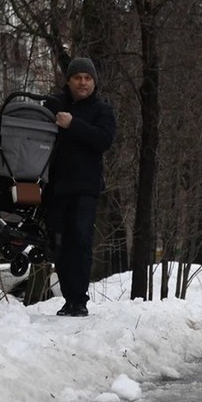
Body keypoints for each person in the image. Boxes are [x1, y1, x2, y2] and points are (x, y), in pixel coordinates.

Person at [43, 57, 117, 317]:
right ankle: (68, 298)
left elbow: (104, 140)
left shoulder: (101, 110)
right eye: (78, 77)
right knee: (59, 243)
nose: (83, 82)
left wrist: (72, 124)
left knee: (81, 241)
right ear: (69, 80)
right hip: (55, 186)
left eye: (88, 78)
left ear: (94, 82)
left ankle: (79, 300)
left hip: (85, 187)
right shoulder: (53, 104)